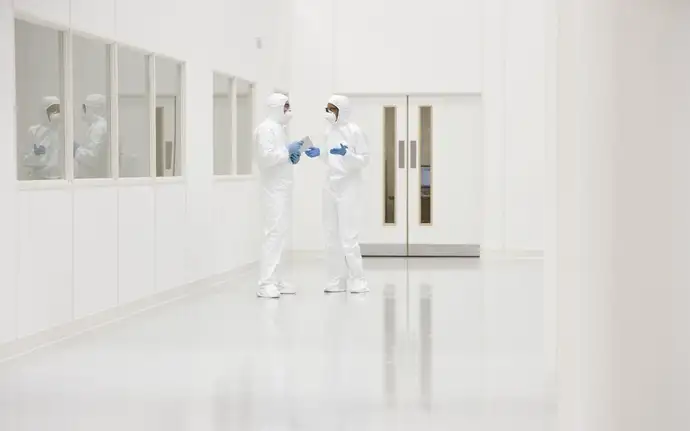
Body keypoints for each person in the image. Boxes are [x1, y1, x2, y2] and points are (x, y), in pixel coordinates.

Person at [305, 95, 370, 293]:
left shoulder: (355, 131)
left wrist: (348, 155)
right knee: (331, 234)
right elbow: (329, 156)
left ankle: (358, 280)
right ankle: (335, 279)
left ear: (342, 110)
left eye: (332, 109)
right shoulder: (328, 130)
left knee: (348, 236)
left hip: (349, 185)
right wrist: (319, 153)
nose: (328, 113)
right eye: (327, 108)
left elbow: (364, 159)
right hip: (330, 184)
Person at [254, 93, 303, 298]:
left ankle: (276, 279)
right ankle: (265, 283)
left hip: (282, 189)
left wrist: (293, 154)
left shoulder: (279, 129)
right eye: (286, 107)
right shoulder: (266, 129)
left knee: (280, 235)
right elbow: (265, 158)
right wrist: (286, 151)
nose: (288, 111)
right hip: (273, 190)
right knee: (273, 234)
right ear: (276, 107)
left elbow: (280, 156)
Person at [23, 96, 62, 180]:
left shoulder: (64, 132)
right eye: (52, 110)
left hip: (60, 179)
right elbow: (25, 160)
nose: (56, 114)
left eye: (58, 110)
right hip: (39, 179)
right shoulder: (33, 131)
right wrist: (37, 153)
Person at [75, 94, 109, 178]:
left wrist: (74, 149)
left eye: (85, 108)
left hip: (92, 179)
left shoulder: (99, 128)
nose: (82, 111)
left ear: (96, 109)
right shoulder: (97, 126)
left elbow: (91, 157)